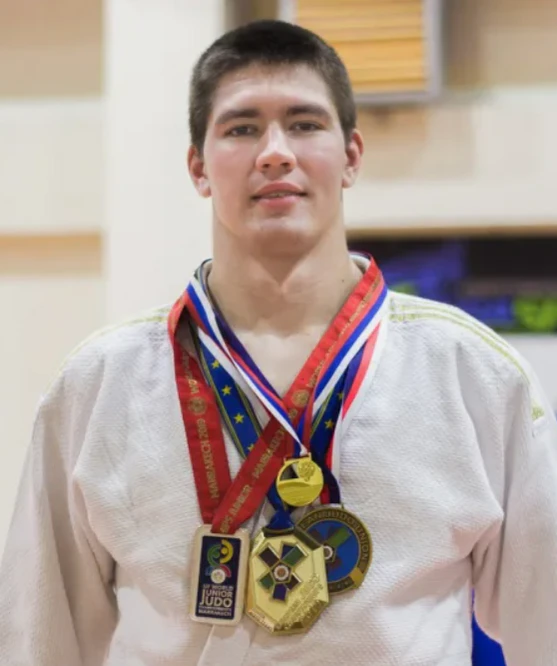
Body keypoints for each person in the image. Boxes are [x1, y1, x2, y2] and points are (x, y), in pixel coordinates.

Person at [1, 19, 556, 666]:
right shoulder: (99, 384)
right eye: (241, 129)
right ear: (198, 167)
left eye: (304, 124)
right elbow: (40, 641)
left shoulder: (472, 374)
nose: (274, 152)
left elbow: (545, 625)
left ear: (351, 156)